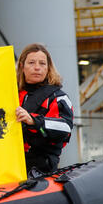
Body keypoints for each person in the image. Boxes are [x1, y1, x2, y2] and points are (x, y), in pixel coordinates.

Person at [15, 43, 74, 177]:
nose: (37, 68)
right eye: (31, 63)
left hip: (41, 167)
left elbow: (65, 127)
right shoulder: (11, 95)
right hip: (10, 165)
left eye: (42, 63)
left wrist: (34, 121)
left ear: (48, 68)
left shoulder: (58, 97)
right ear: (22, 67)